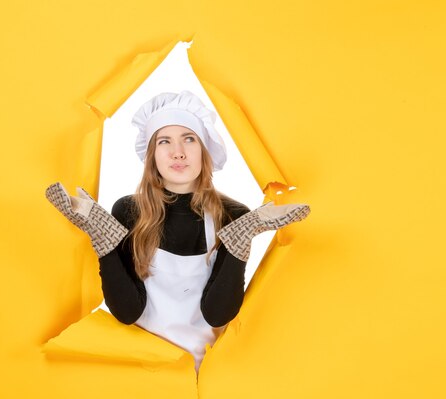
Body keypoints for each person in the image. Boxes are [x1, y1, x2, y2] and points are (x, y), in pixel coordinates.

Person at [45, 91, 310, 371]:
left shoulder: (233, 215)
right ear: (152, 155)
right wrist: (104, 241)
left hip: (206, 373)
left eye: (189, 138)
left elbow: (218, 314)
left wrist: (239, 240)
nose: (178, 152)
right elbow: (127, 311)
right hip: (139, 367)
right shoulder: (127, 211)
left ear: (203, 149)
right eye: (164, 141)